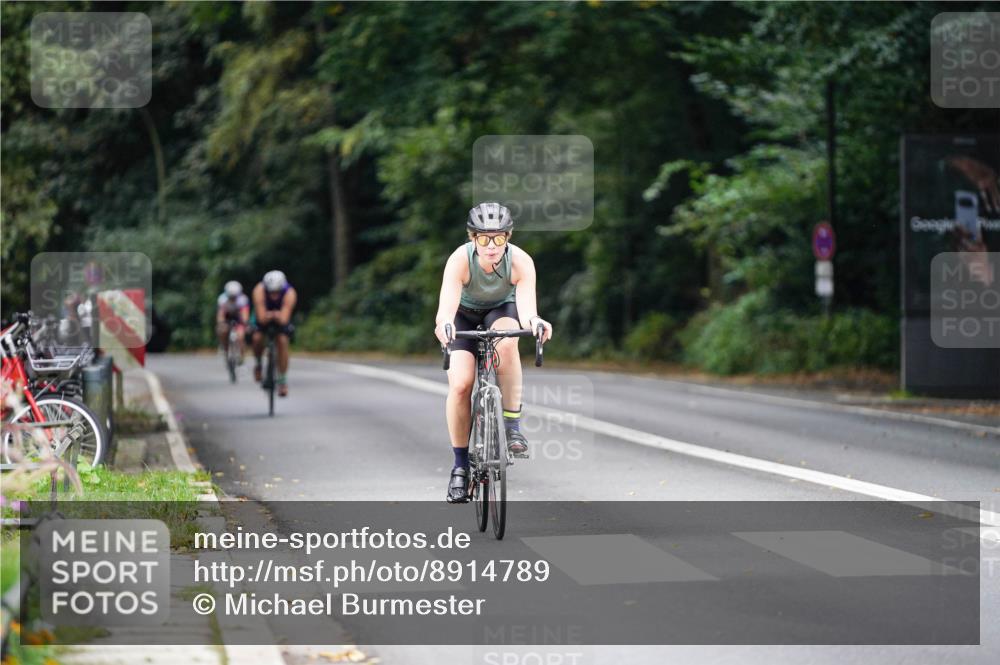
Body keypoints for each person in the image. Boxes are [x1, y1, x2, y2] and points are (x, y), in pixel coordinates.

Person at [433, 202, 552, 503]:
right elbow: (445, 310)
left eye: (498, 238)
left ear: (508, 237)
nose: (491, 245)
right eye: (484, 238)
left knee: (508, 341)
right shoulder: (460, 260)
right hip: (463, 316)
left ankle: (512, 426)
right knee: (460, 385)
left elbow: (527, 312)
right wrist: (445, 325)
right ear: (472, 238)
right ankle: (460, 467)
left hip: (501, 310)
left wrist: (537, 322)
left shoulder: (520, 262)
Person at [249, 270, 297, 397]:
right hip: (264, 318)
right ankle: (258, 364)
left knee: (282, 341)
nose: (274, 295)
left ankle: (282, 380)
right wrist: (274, 315)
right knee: (257, 338)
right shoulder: (259, 290)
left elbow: (284, 319)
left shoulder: (290, 293)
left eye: (277, 292)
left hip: (280, 319)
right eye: (271, 292)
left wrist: (272, 315)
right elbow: (261, 317)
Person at [216, 280, 250, 359]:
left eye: (234, 296)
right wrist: (221, 323)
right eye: (231, 296)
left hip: (238, 317)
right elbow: (221, 314)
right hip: (227, 317)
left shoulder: (243, 299)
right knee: (222, 330)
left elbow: (245, 315)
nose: (232, 298)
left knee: (241, 336)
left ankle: (242, 357)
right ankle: (224, 347)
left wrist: (245, 324)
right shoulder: (222, 299)